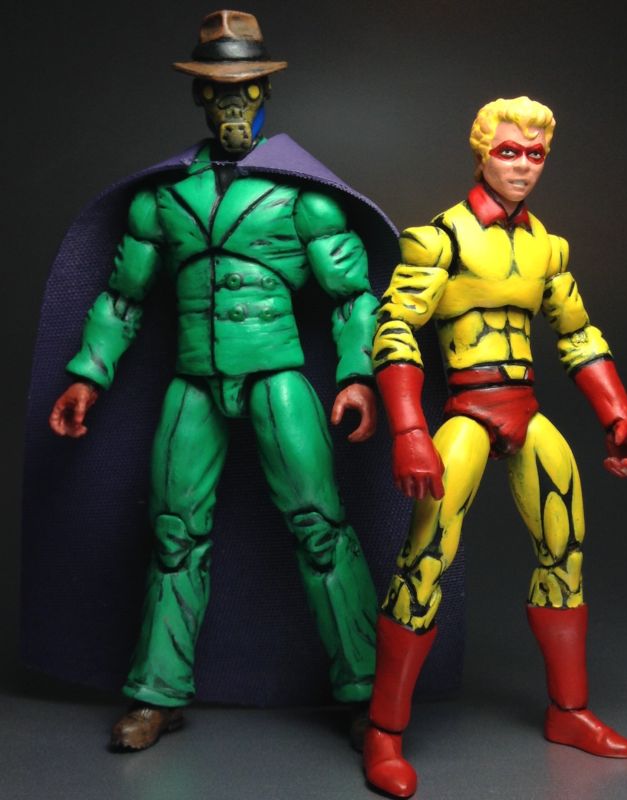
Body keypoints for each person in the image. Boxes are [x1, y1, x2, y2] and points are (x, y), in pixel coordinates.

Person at [48, 9, 387, 751]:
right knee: (175, 535)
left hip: (278, 378)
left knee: (319, 528)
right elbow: (124, 297)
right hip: (194, 384)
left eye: (247, 89)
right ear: (200, 95)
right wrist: (88, 375)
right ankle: (156, 692)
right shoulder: (165, 198)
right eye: (219, 90)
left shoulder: (302, 196)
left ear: (266, 92)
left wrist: (358, 375)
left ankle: (370, 690)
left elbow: (352, 298)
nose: (234, 104)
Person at [363, 96, 627, 797]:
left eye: (534, 154)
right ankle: (383, 731)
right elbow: (394, 330)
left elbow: (577, 334)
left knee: (565, 549)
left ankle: (568, 711)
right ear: (481, 153)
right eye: (508, 151)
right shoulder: (441, 239)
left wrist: (618, 412)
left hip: (527, 409)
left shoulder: (547, 248)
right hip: (465, 413)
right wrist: (408, 431)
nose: (521, 166)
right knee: (424, 560)